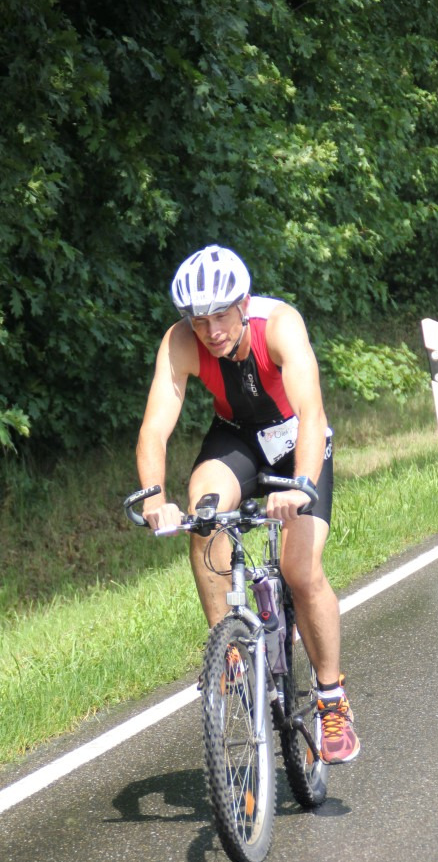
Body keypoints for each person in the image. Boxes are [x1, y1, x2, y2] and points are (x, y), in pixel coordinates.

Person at [135, 244, 360, 764]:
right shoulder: (180, 341)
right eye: (199, 320)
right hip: (236, 438)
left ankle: (331, 698)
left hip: (297, 443)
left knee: (300, 571)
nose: (211, 331)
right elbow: (154, 428)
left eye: (220, 316)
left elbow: (311, 411)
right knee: (204, 514)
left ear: (243, 303)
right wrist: (154, 497)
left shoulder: (278, 325)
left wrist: (300, 485)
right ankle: (229, 652)